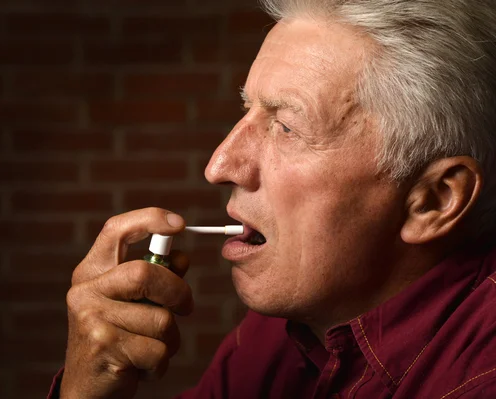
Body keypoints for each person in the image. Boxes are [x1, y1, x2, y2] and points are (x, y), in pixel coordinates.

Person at [49, 0, 496, 398]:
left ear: (433, 200)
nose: (220, 165)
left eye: (286, 127)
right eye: (248, 110)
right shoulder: (280, 335)